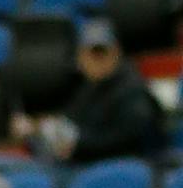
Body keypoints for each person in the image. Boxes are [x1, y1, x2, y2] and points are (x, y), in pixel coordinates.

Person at [54, 20, 161, 162]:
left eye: (102, 52)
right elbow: (70, 122)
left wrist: (79, 145)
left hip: (125, 166)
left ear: (116, 53)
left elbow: (128, 139)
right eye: (91, 53)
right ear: (79, 58)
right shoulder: (88, 87)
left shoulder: (132, 89)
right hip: (86, 163)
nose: (96, 60)